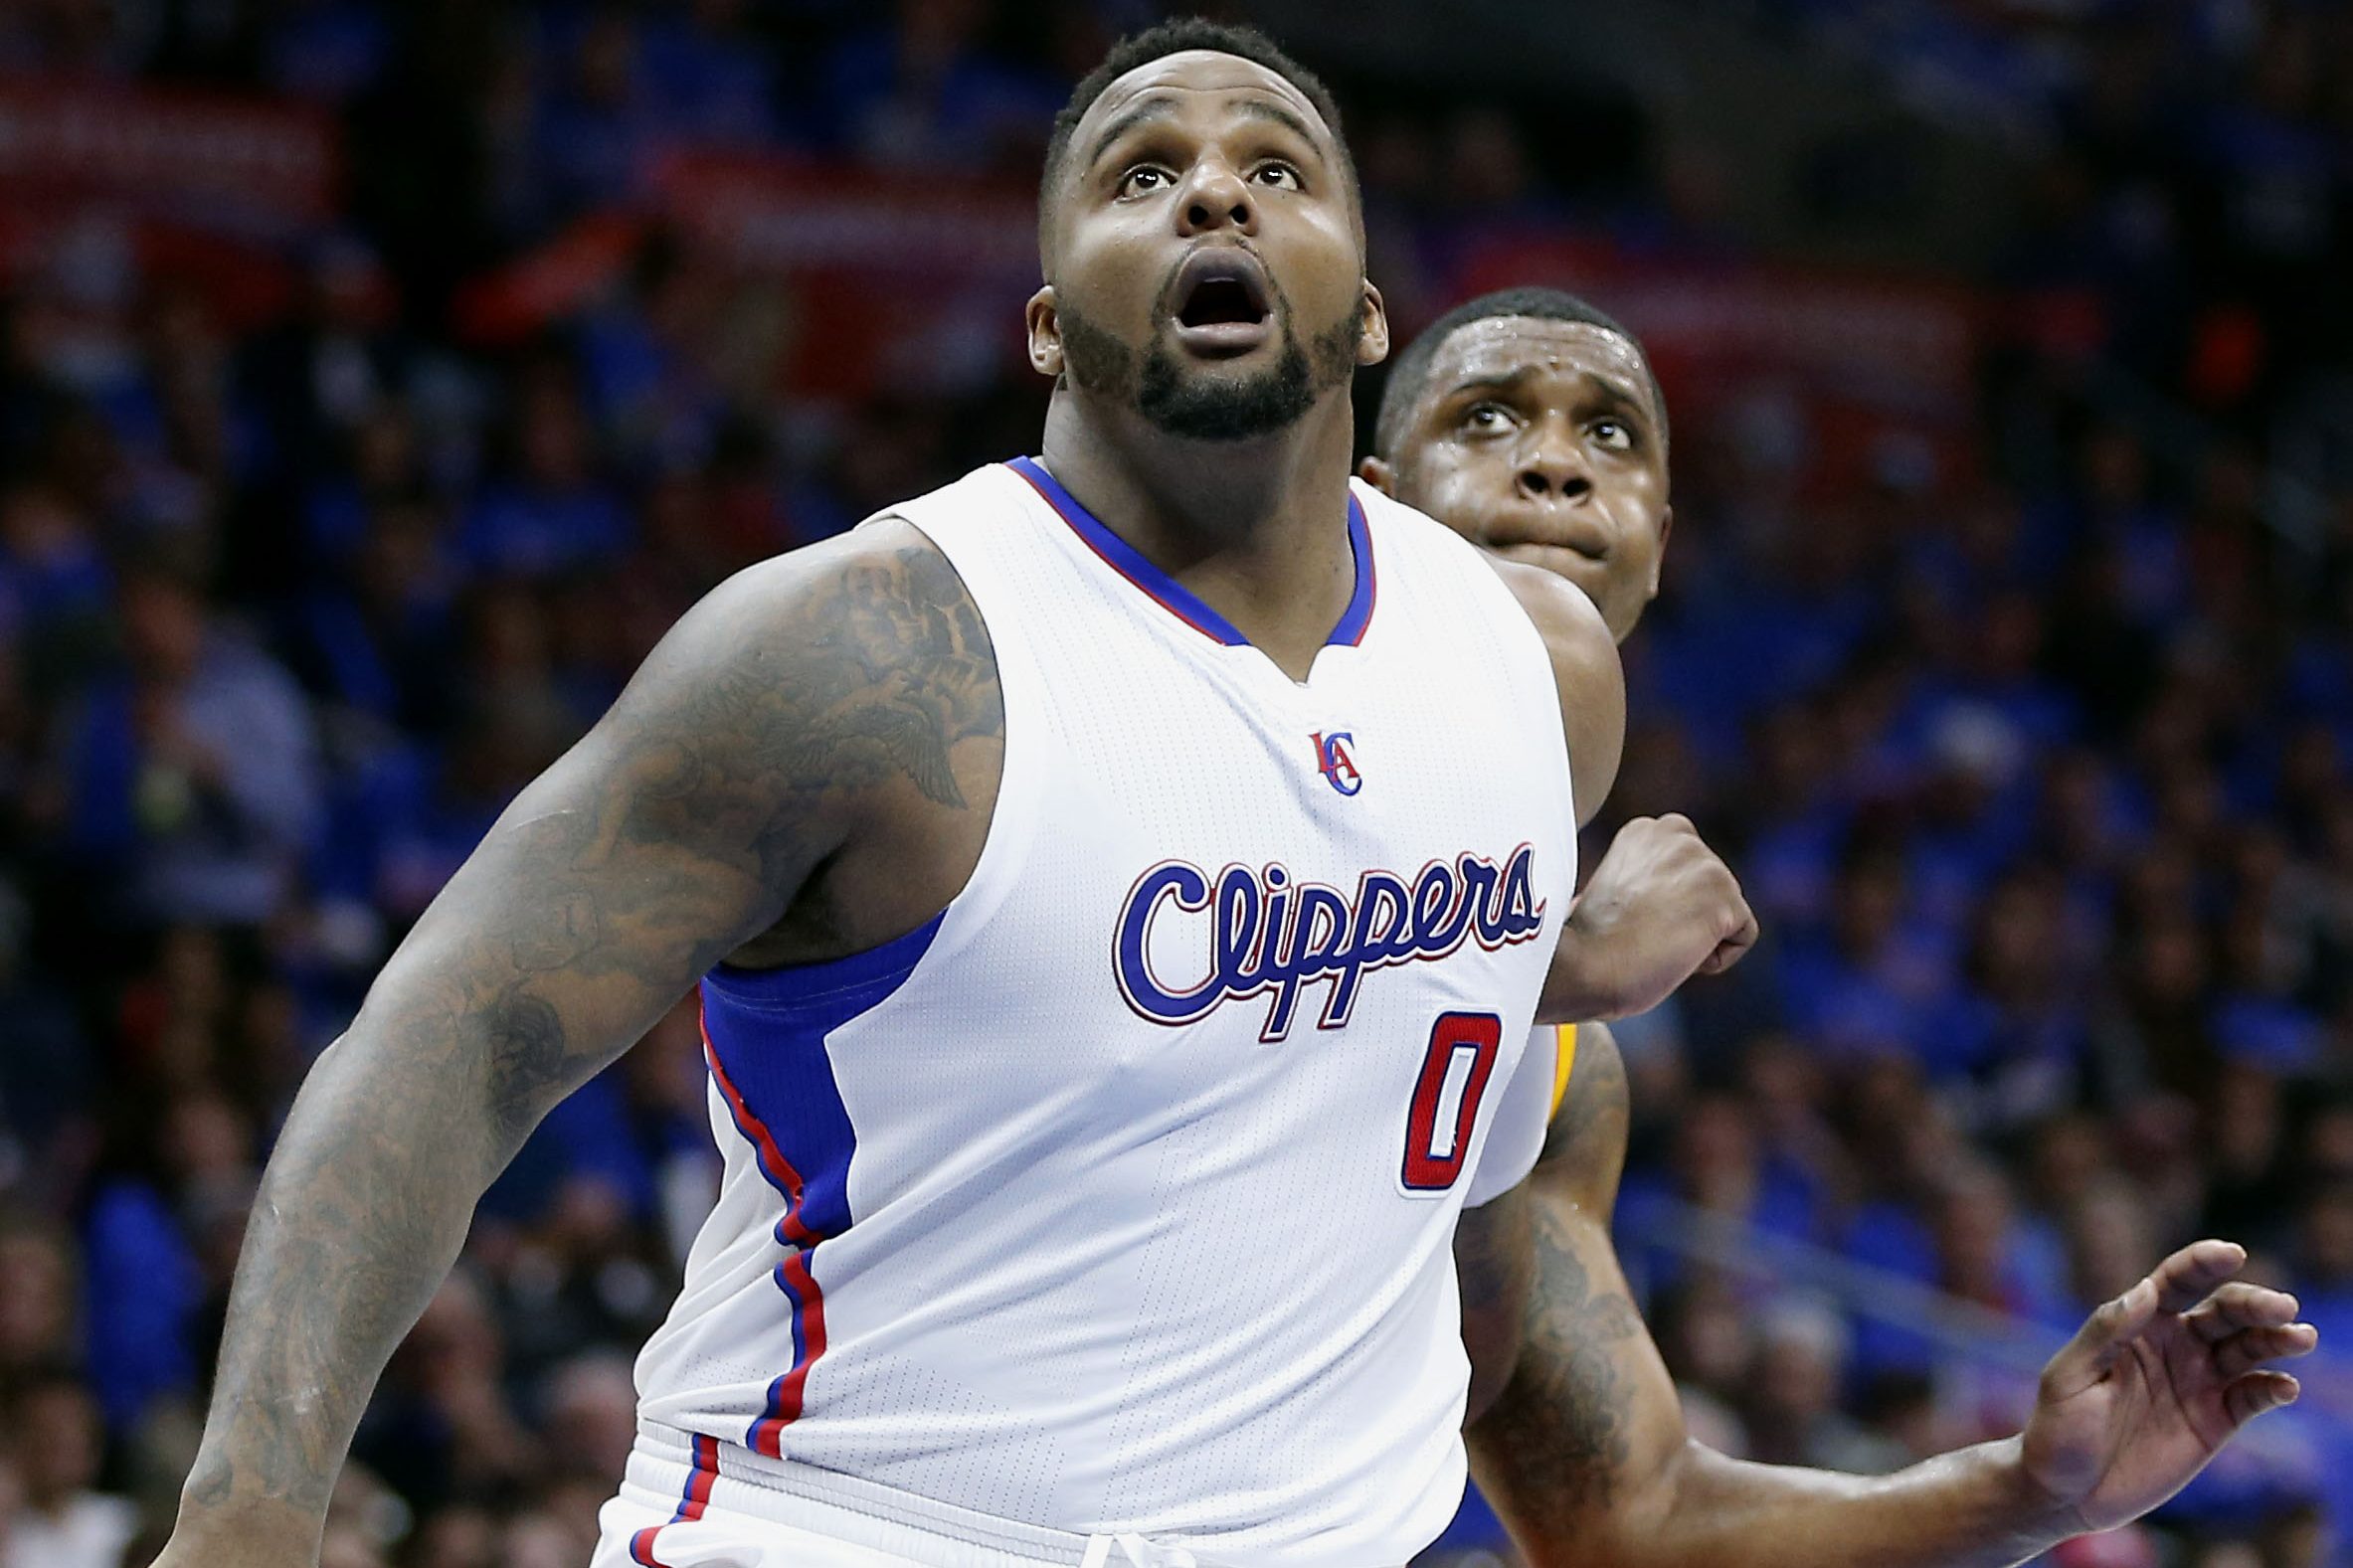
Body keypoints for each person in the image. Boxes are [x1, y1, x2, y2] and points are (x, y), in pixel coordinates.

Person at [153, 25, 1754, 1568]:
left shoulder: (1535, 673)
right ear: (1047, 327)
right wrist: (247, 1518)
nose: (1214, 192)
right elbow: (446, 1047)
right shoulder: (861, 651)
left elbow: (1348, 1090)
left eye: (1277, 168)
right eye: (1141, 173)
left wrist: (1541, 965)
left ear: (1368, 313)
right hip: (850, 1528)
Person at [1363, 284, 2321, 1567]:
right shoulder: (1205, 730)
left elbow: (1631, 1526)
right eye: (1487, 418)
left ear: (1658, 540)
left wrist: (2032, 1490)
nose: (1554, 463)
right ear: (1368, 502)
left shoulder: (1569, 1076)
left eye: (1611, 433)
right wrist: (1554, 967)